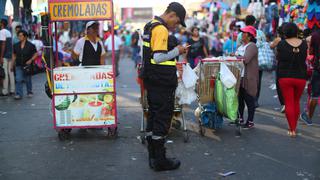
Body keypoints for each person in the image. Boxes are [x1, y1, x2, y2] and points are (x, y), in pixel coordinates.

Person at [141, 2, 188, 171]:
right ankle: (160, 160)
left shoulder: (149, 26)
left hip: (152, 80)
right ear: (172, 15)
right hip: (161, 82)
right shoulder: (160, 29)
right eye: (177, 21)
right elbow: (159, 57)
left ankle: (153, 157)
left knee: (153, 117)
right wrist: (179, 51)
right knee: (161, 119)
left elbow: (146, 56)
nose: (176, 25)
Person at [276, 23, 307, 137]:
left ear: (285, 32)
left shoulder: (282, 44)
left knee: (288, 102)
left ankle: (292, 129)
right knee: (296, 102)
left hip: (285, 77)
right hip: (301, 77)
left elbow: (278, 58)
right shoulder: (304, 44)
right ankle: (294, 127)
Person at [235, 25, 259, 129]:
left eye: (244, 33)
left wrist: (235, 57)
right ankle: (240, 118)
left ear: (249, 36)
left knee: (249, 99)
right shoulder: (241, 46)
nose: (242, 35)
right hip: (240, 76)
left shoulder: (252, 46)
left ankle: (250, 121)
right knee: (239, 99)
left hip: (248, 78)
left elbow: (246, 59)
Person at [300, 30, 320, 125]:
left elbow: (311, 51)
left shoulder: (315, 35)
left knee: (315, 95)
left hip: (318, 68)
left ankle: (309, 117)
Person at [11, 30, 37, 100]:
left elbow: (36, 54)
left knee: (28, 79)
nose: (19, 37)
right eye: (18, 36)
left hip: (27, 65)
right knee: (18, 79)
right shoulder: (16, 45)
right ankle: (19, 94)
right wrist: (12, 64)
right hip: (18, 64)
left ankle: (29, 91)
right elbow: (14, 55)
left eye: (21, 36)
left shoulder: (31, 45)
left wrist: (31, 60)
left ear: (25, 37)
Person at [0, 19, 15, 96]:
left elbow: (3, 45)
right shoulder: (8, 32)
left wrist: (1, 57)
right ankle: (12, 90)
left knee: (5, 72)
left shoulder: (2, 32)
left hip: (5, 55)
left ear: (1, 24)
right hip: (10, 55)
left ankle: (5, 91)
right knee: (10, 72)